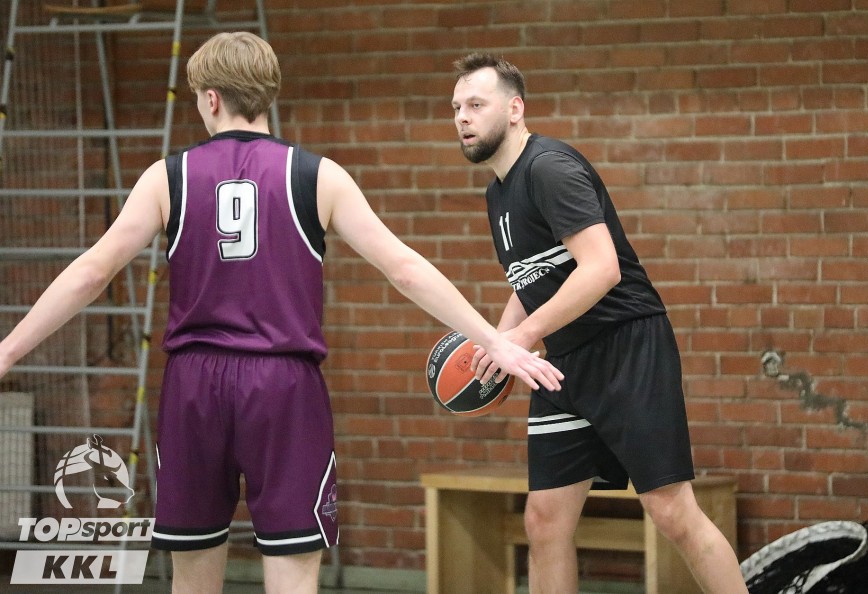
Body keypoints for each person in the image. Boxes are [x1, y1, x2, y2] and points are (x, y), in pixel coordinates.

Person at [0, 33, 562, 594]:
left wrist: (7, 350)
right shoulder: (317, 175)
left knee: (192, 574)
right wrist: (494, 339)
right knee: (293, 572)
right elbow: (405, 269)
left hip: (194, 385)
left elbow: (92, 273)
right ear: (267, 94)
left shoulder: (167, 177)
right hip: (284, 387)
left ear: (211, 98)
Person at [451, 53, 749, 594]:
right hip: (565, 365)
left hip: (627, 348)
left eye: (476, 104)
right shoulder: (497, 192)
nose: (463, 117)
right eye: (456, 108)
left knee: (672, 511)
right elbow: (532, 277)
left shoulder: (549, 168)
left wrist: (522, 337)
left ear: (515, 109)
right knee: (544, 520)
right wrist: (497, 341)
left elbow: (602, 268)